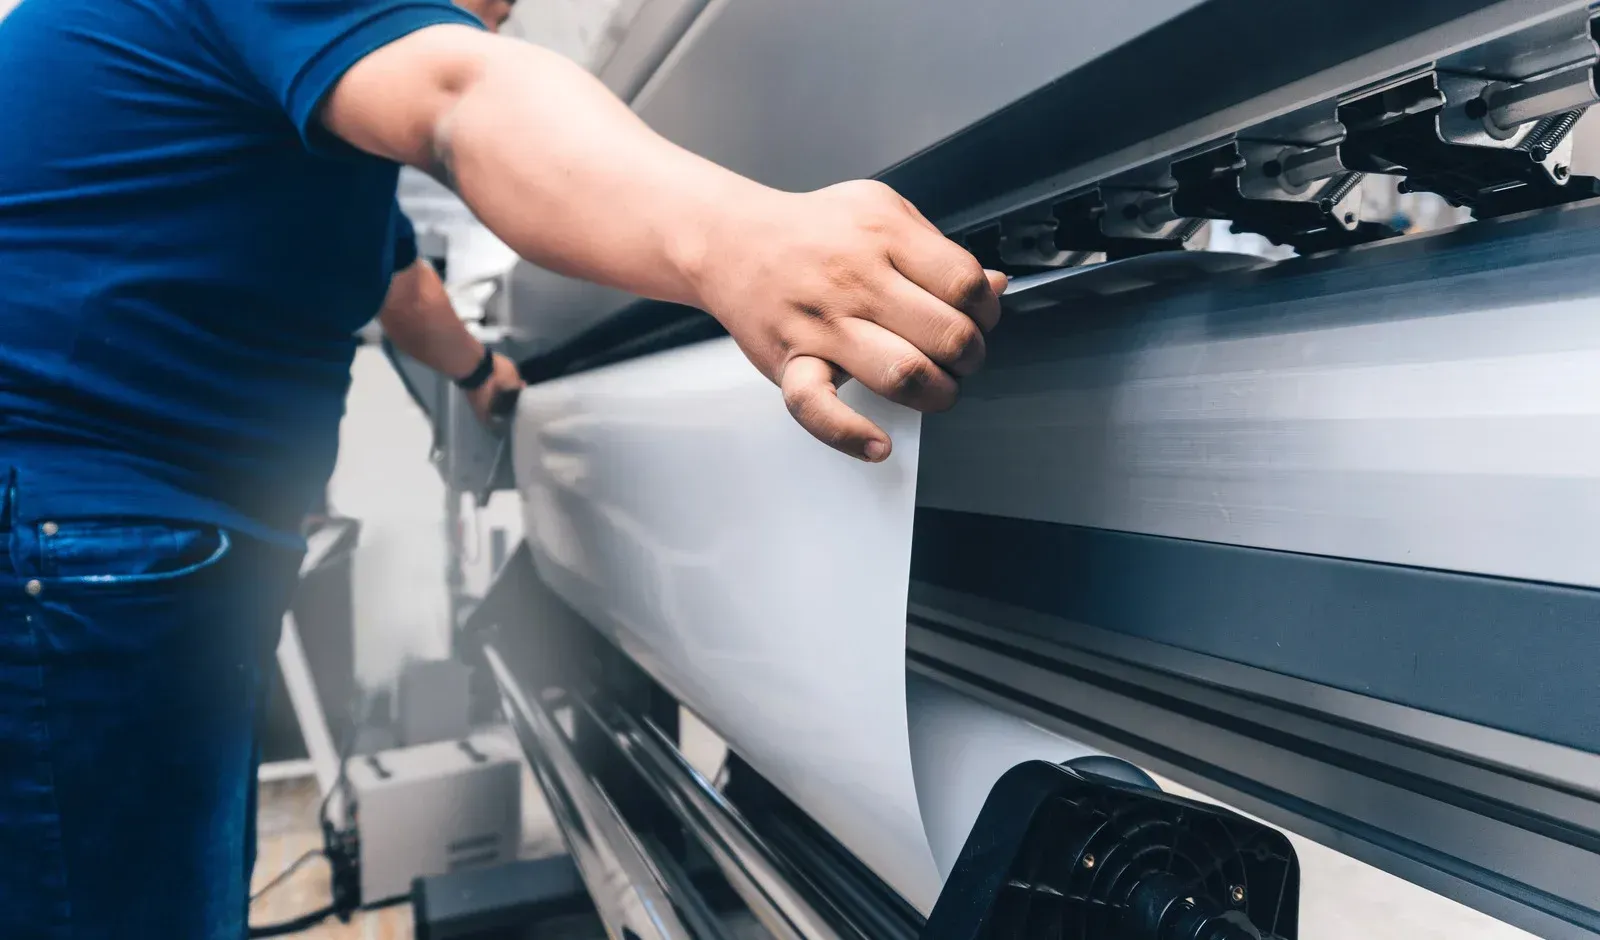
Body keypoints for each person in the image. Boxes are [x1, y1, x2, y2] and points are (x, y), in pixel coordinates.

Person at [0, 1, 1008, 937]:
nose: (505, 11)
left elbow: (402, 282)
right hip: (85, 534)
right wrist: (736, 240)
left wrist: (488, 378)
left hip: (121, 546)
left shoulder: (308, 120)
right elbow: (464, 95)